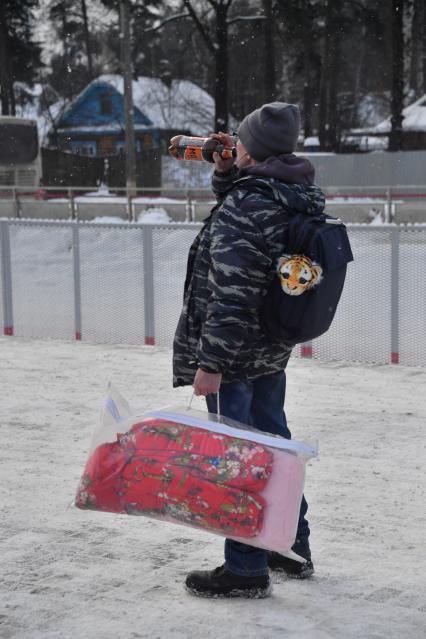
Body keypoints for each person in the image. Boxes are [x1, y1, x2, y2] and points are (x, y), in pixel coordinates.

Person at [173, 102, 325, 598]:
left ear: (254, 150)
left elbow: (233, 293)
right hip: (270, 347)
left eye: (240, 142)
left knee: (239, 456)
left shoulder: (249, 204)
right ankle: (289, 547)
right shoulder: (292, 191)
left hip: (235, 356)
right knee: (275, 448)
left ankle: (244, 569)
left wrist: (211, 364)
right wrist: (227, 173)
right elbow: (250, 218)